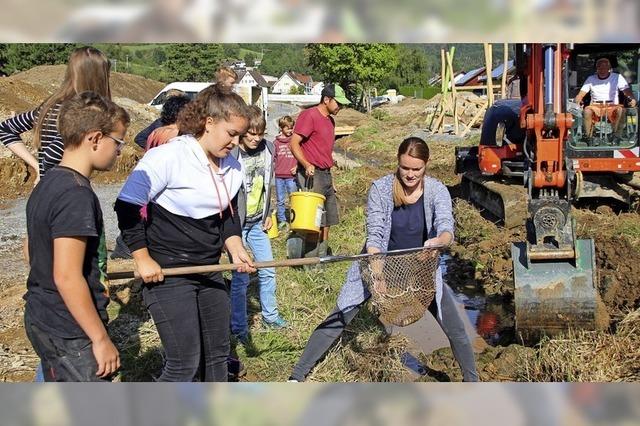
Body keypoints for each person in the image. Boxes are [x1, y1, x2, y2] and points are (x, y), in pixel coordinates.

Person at [288, 137, 479, 382]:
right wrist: (377, 276)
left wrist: (438, 241)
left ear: (426, 165)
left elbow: (446, 228)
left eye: (416, 169)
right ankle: (297, 375)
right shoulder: (381, 188)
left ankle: (472, 381)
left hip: (420, 270)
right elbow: (375, 236)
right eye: (405, 168)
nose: (410, 175)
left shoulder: (436, 190)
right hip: (377, 263)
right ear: (398, 163)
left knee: (455, 327)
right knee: (341, 314)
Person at [114, 84, 255, 382]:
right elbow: (126, 207)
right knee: (184, 363)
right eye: (231, 133)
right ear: (209, 122)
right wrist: (141, 257)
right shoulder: (168, 158)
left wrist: (235, 246)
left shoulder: (231, 164)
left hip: (208, 270)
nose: (236, 142)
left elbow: (227, 214)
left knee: (217, 356)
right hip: (168, 274)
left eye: (240, 136)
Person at [23, 91, 130, 382]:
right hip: (70, 329)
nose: (119, 151)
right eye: (118, 142)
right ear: (95, 138)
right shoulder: (76, 195)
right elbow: (67, 276)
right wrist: (99, 339)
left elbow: (29, 250)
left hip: (43, 315)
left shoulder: (49, 182)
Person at [0, 46, 112, 183]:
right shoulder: (80, 113)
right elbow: (52, 156)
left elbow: (6, 129)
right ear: (98, 78)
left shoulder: (49, 106)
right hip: (64, 189)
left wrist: (38, 167)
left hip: (47, 187)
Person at [230, 105, 288, 344]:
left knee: (268, 270)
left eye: (259, 133)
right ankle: (239, 327)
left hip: (257, 223)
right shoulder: (232, 154)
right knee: (241, 278)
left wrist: (268, 211)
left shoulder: (269, 149)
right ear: (242, 133)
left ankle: (270, 316)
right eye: (250, 134)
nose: (255, 138)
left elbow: (268, 184)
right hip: (238, 226)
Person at [289, 83, 351, 256]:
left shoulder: (330, 121)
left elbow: (325, 152)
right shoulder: (309, 116)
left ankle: (322, 256)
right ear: (326, 99)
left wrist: (332, 179)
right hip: (312, 174)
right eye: (338, 103)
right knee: (312, 219)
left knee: (328, 219)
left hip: (325, 174)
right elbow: (294, 143)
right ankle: (310, 261)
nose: (341, 107)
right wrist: (306, 164)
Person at [574, 56, 637, 144]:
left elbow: (626, 91)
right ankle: (589, 137)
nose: (602, 69)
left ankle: (616, 136)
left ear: (609, 68)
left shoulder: (617, 77)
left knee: (621, 110)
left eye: (605, 67)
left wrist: (632, 99)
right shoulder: (591, 79)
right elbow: (581, 94)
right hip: (596, 106)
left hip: (612, 105)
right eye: (600, 67)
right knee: (587, 111)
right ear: (597, 69)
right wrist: (577, 100)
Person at [273, 115, 299, 228]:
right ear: (281, 128)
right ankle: (282, 220)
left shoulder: (295, 141)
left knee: (293, 198)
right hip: (279, 176)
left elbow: (300, 155)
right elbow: (273, 159)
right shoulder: (276, 143)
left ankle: (295, 219)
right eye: (287, 128)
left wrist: (297, 166)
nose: (290, 130)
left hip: (291, 176)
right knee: (280, 199)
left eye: (291, 128)